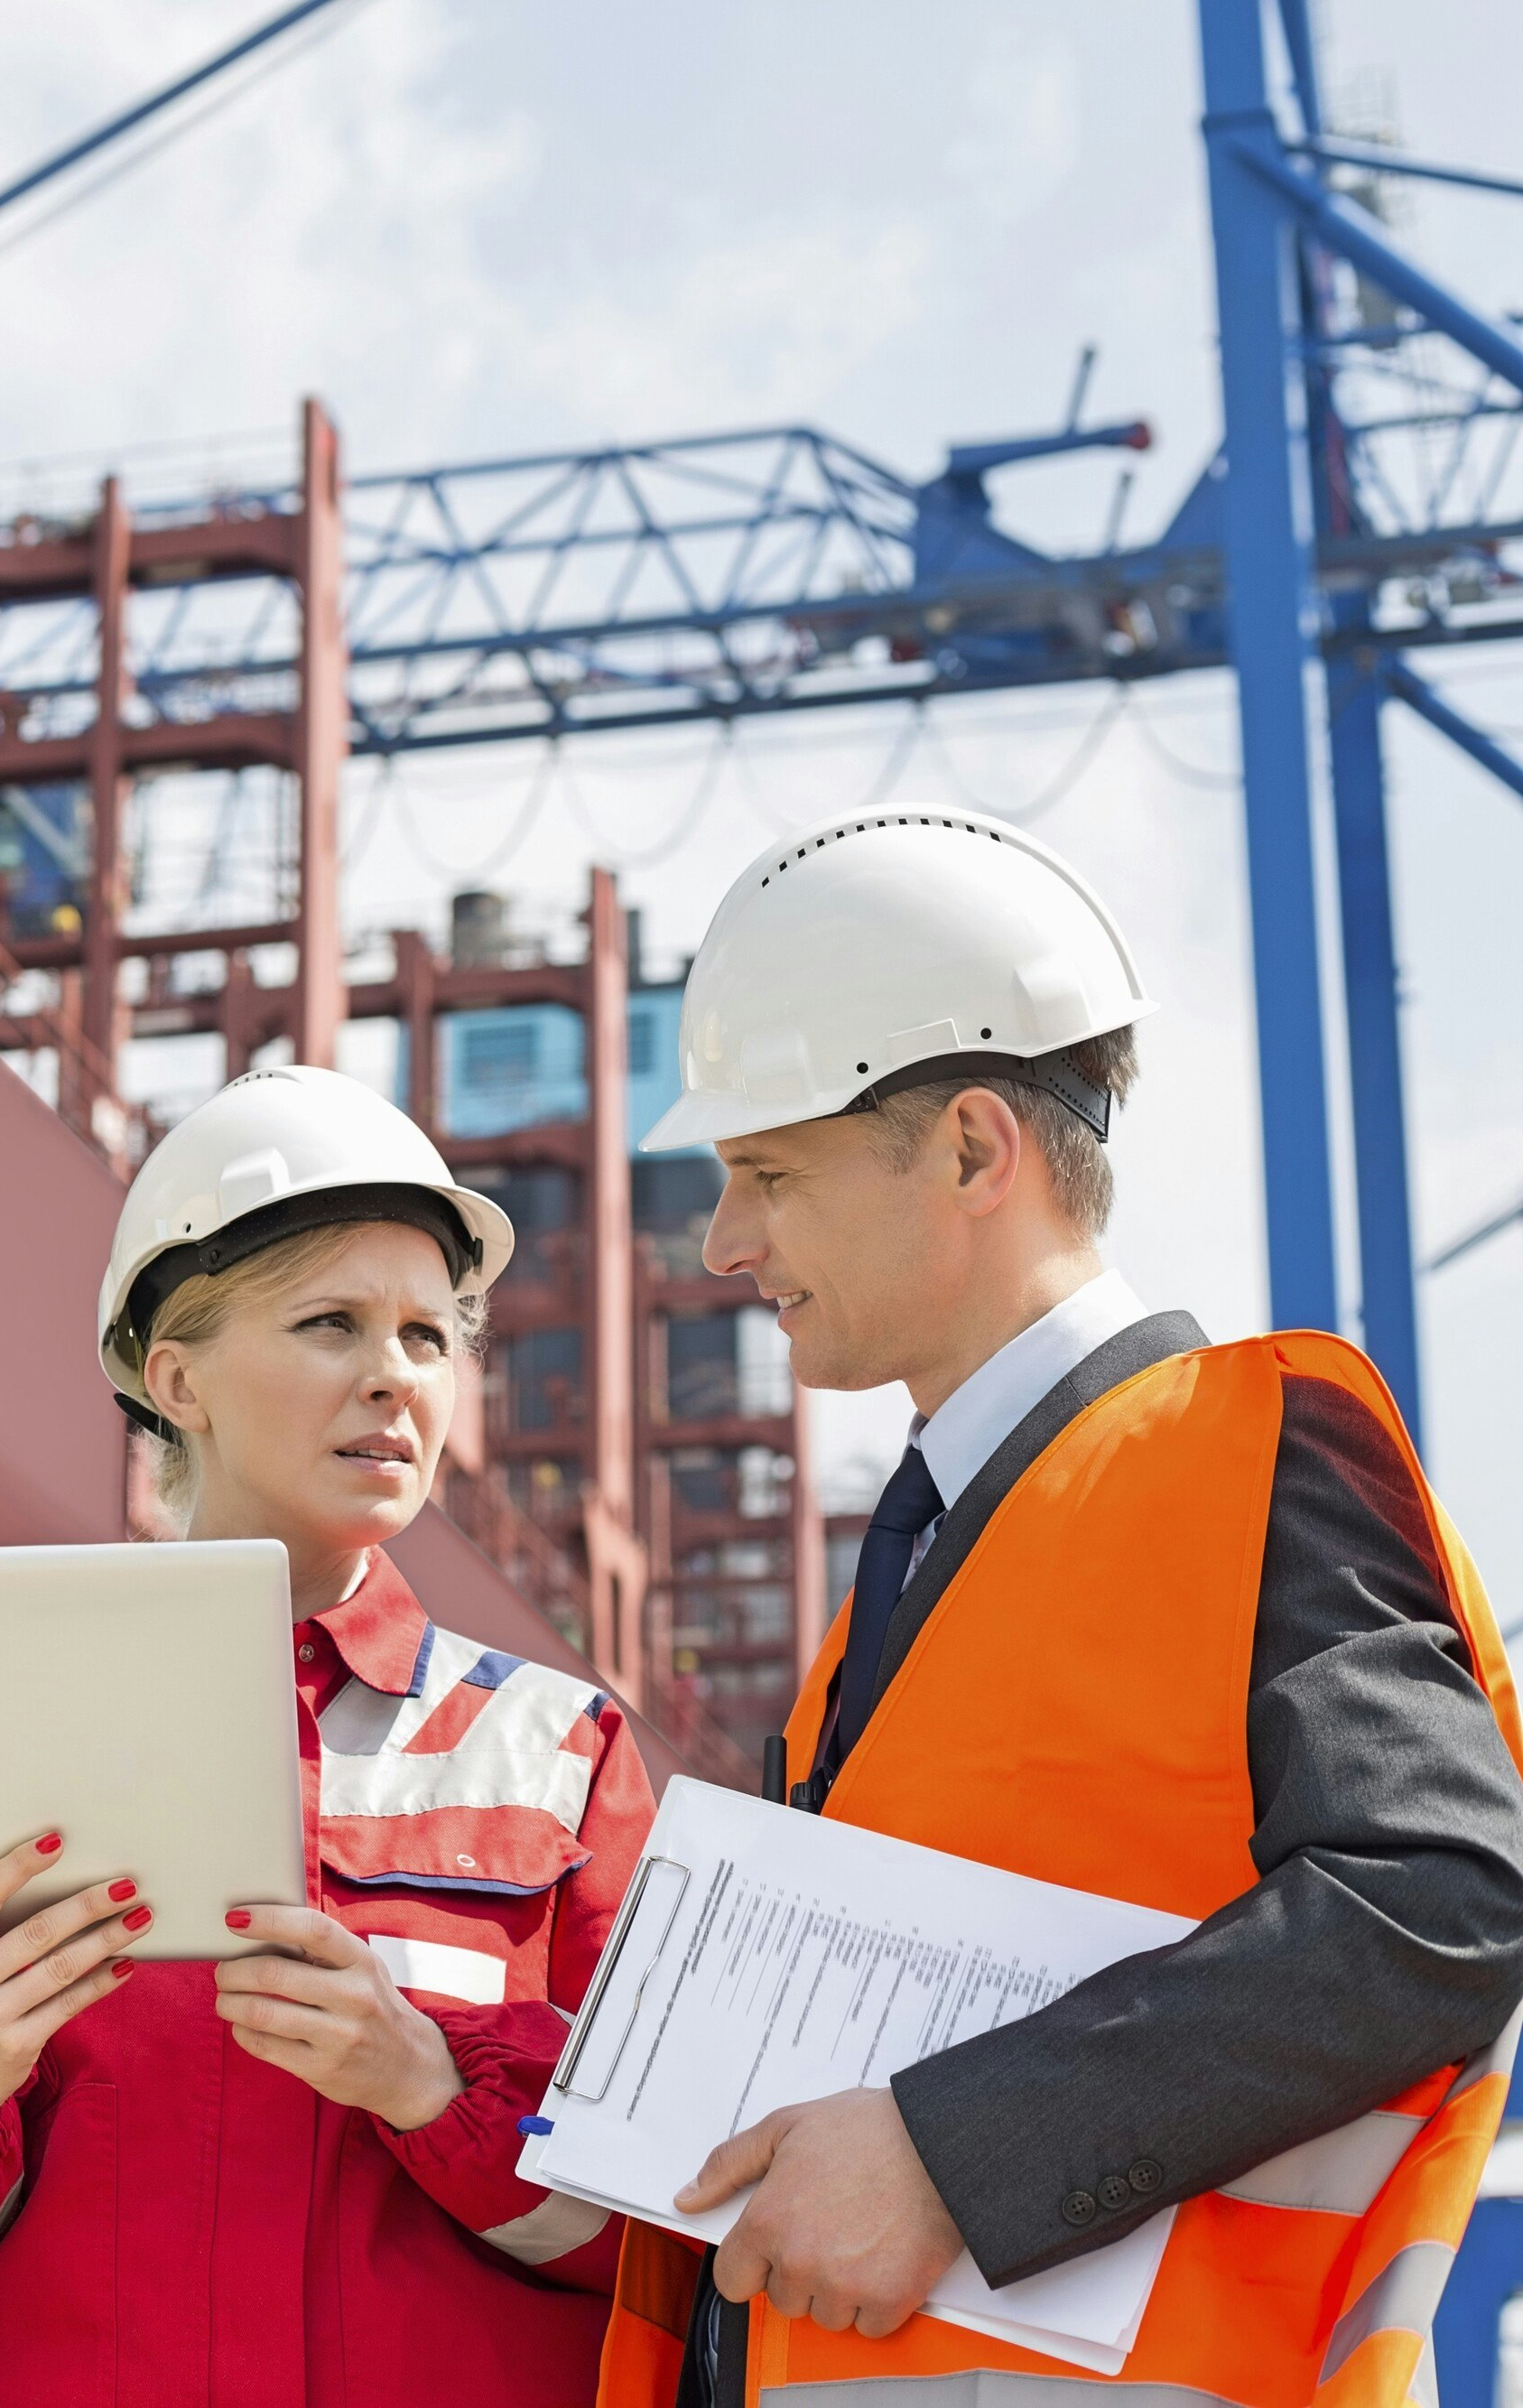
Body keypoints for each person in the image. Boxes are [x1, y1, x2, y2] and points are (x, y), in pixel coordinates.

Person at [601, 807, 1523, 2407]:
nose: (727, 1240)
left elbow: (1441, 1898)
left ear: (971, 1149)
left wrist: (959, 2158)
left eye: (768, 1174)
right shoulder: (910, 1585)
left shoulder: (1252, 1444)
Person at [0, 1065, 661, 2404]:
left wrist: (428, 2085)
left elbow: (666, 2235)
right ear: (176, 1379)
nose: (394, 1376)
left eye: (429, 1337)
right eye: (332, 1322)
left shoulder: (560, 1754)